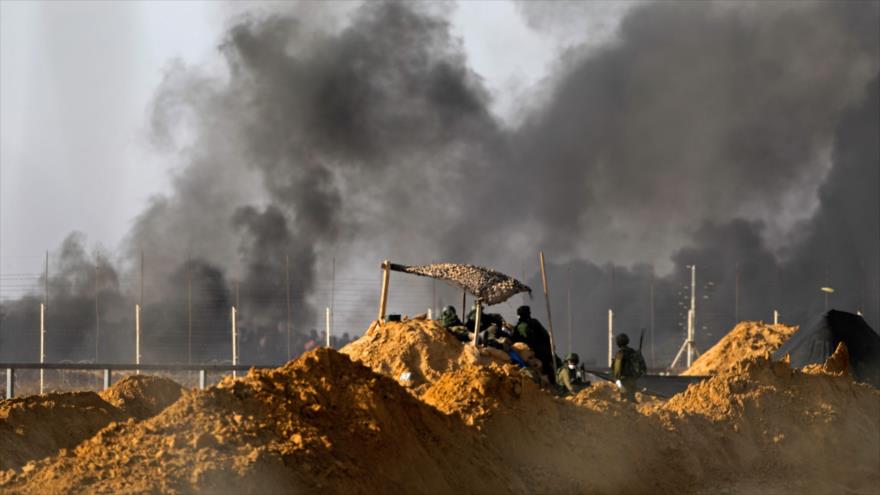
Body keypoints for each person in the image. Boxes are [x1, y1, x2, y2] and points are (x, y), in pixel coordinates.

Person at [512, 305, 556, 385]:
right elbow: (546, 336)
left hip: (531, 352)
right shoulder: (534, 322)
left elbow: (516, 341)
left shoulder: (520, 326)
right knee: (548, 368)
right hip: (542, 351)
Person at [611, 333, 645, 402]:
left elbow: (616, 372)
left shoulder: (619, 354)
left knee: (625, 402)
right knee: (632, 400)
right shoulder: (633, 352)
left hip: (623, 382)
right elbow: (642, 367)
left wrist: (618, 383)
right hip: (633, 381)